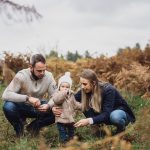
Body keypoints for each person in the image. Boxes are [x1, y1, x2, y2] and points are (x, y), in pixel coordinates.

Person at [2, 53, 57, 137]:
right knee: (8, 106)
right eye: (39, 71)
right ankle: (20, 130)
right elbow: (5, 95)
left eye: (44, 70)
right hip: (21, 106)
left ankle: (33, 127)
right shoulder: (21, 75)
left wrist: (48, 105)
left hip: (38, 107)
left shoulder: (49, 76)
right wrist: (27, 98)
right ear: (31, 67)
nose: (42, 73)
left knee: (57, 110)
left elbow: (55, 96)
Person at [74, 69, 135, 136]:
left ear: (93, 83)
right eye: (81, 84)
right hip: (104, 115)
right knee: (84, 104)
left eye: (85, 84)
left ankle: (121, 129)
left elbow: (106, 114)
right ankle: (98, 129)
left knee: (115, 116)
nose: (82, 87)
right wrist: (60, 108)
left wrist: (88, 120)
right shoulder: (85, 90)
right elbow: (71, 100)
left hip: (119, 113)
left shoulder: (108, 90)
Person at [48, 72, 82, 143]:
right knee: (62, 132)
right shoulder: (57, 94)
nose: (65, 88)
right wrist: (64, 93)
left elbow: (74, 104)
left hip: (70, 118)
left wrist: (82, 106)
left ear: (69, 88)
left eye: (67, 87)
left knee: (71, 131)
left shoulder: (71, 95)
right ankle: (63, 143)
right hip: (61, 119)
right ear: (59, 87)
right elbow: (57, 100)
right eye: (62, 86)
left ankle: (71, 142)